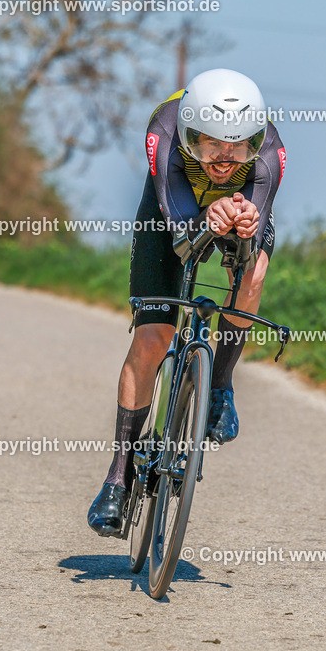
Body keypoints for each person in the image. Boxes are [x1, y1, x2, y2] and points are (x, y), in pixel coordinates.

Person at [88, 68, 285, 536]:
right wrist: (205, 220)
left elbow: (248, 247)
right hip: (171, 213)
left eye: (238, 147)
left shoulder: (271, 156)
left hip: (236, 212)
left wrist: (242, 226)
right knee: (154, 338)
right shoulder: (164, 131)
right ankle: (119, 475)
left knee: (253, 269)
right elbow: (181, 241)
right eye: (211, 144)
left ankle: (220, 385)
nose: (224, 158)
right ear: (190, 134)